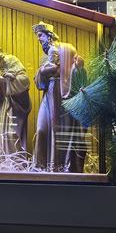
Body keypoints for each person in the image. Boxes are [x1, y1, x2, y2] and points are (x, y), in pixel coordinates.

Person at [32, 22, 86, 172]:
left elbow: (76, 75)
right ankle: (41, 167)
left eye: (40, 35)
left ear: (49, 35)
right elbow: (39, 82)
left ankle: (60, 167)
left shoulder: (67, 50)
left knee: (61, 131)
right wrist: (42, 72)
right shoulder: (44, 59)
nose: (39, 39)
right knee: (41, 129)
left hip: (63, 96)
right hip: (49, 94)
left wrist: (79, 67)